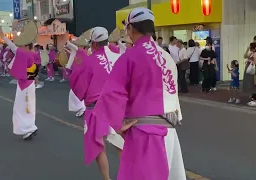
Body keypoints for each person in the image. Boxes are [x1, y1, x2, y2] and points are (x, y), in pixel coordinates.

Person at [90, 7, 186, 180]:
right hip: (170, 132)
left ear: (131, 29)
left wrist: (118, 124)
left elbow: (112, 93)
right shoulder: (167, 57)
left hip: (146, 134)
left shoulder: (130, 56)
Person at [64, 27, 124, 180]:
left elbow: (79, 84)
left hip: (97, 109)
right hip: (118, 106)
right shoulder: (117, 56)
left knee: (99, 146)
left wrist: (71, 64)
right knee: (120, 144)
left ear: (95, 44)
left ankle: (107, 178)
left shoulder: (89, 61)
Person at [0, 23, 38, 140]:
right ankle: (29, 127)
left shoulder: (26, 53)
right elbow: (16, 47)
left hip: (25, 84)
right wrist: (14, 32)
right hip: (29, 83)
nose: (20, 46)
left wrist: (4, 37)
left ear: (26, 45)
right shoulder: (32, 53)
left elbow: (14, 47)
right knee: (28, 106)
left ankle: (29, 128)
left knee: (21, 107)